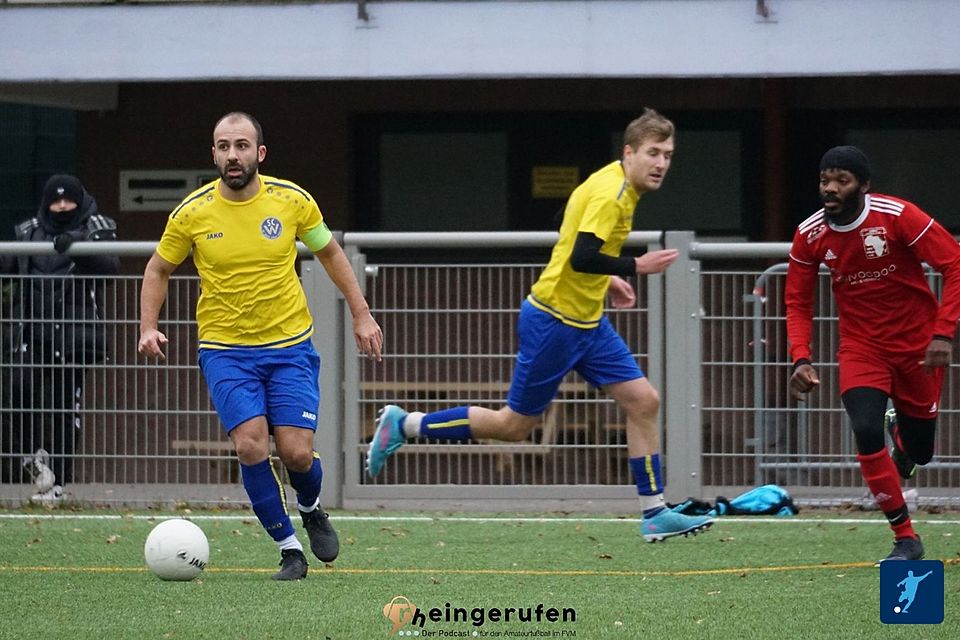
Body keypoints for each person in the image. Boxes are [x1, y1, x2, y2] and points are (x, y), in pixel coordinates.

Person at [367, 108, 715, 542]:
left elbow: (565, 230)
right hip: (553, 322)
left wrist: (608, 281)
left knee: (643, 401)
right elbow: (581, 256)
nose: (661, 163)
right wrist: (633, 267)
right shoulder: (611, 193)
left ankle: (653, 511)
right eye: (653, 153)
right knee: (514, 426)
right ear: (629, 152)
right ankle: (405, 425)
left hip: (588, 323)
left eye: (667, 154)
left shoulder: (613, 182)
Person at [138, 112, 383, 580]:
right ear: (213, 154)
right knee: (250, 447)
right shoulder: (191, 212)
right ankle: (290, 550)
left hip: (290, 347)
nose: (233, 155)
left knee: (295, 454)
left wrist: (361, 312)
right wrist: (148, 326)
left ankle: (311, 509)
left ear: (259, 154)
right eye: (224, 146)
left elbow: (330, 252)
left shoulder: (292, 202)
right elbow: (158, 269)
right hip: (225, 350)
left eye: (242, 146)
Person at [786, 145, 960, 562]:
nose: (830, 189)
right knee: (864, 429)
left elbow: (954, 264)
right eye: (825, 180)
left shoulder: (898, 216)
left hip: (919, 348)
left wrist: (943, 334)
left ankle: (903, 436)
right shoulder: (809, 234)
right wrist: (800, 357)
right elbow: (797, 302)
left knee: (920, 452)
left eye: (841, 181)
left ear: (864, 186)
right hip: (862, 348)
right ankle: (905, 537)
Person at [0, 174, 118, 503]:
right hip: (31, 335)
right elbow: (8, 264)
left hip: (74, 339)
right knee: (18, 396)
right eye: (56, 200)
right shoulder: (27, 231)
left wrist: (79, 248)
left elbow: (109, 268)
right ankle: (32, 462)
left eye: (69, 201)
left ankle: (59, 486)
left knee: (65, 410)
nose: (62, 206)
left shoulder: (97, 225)